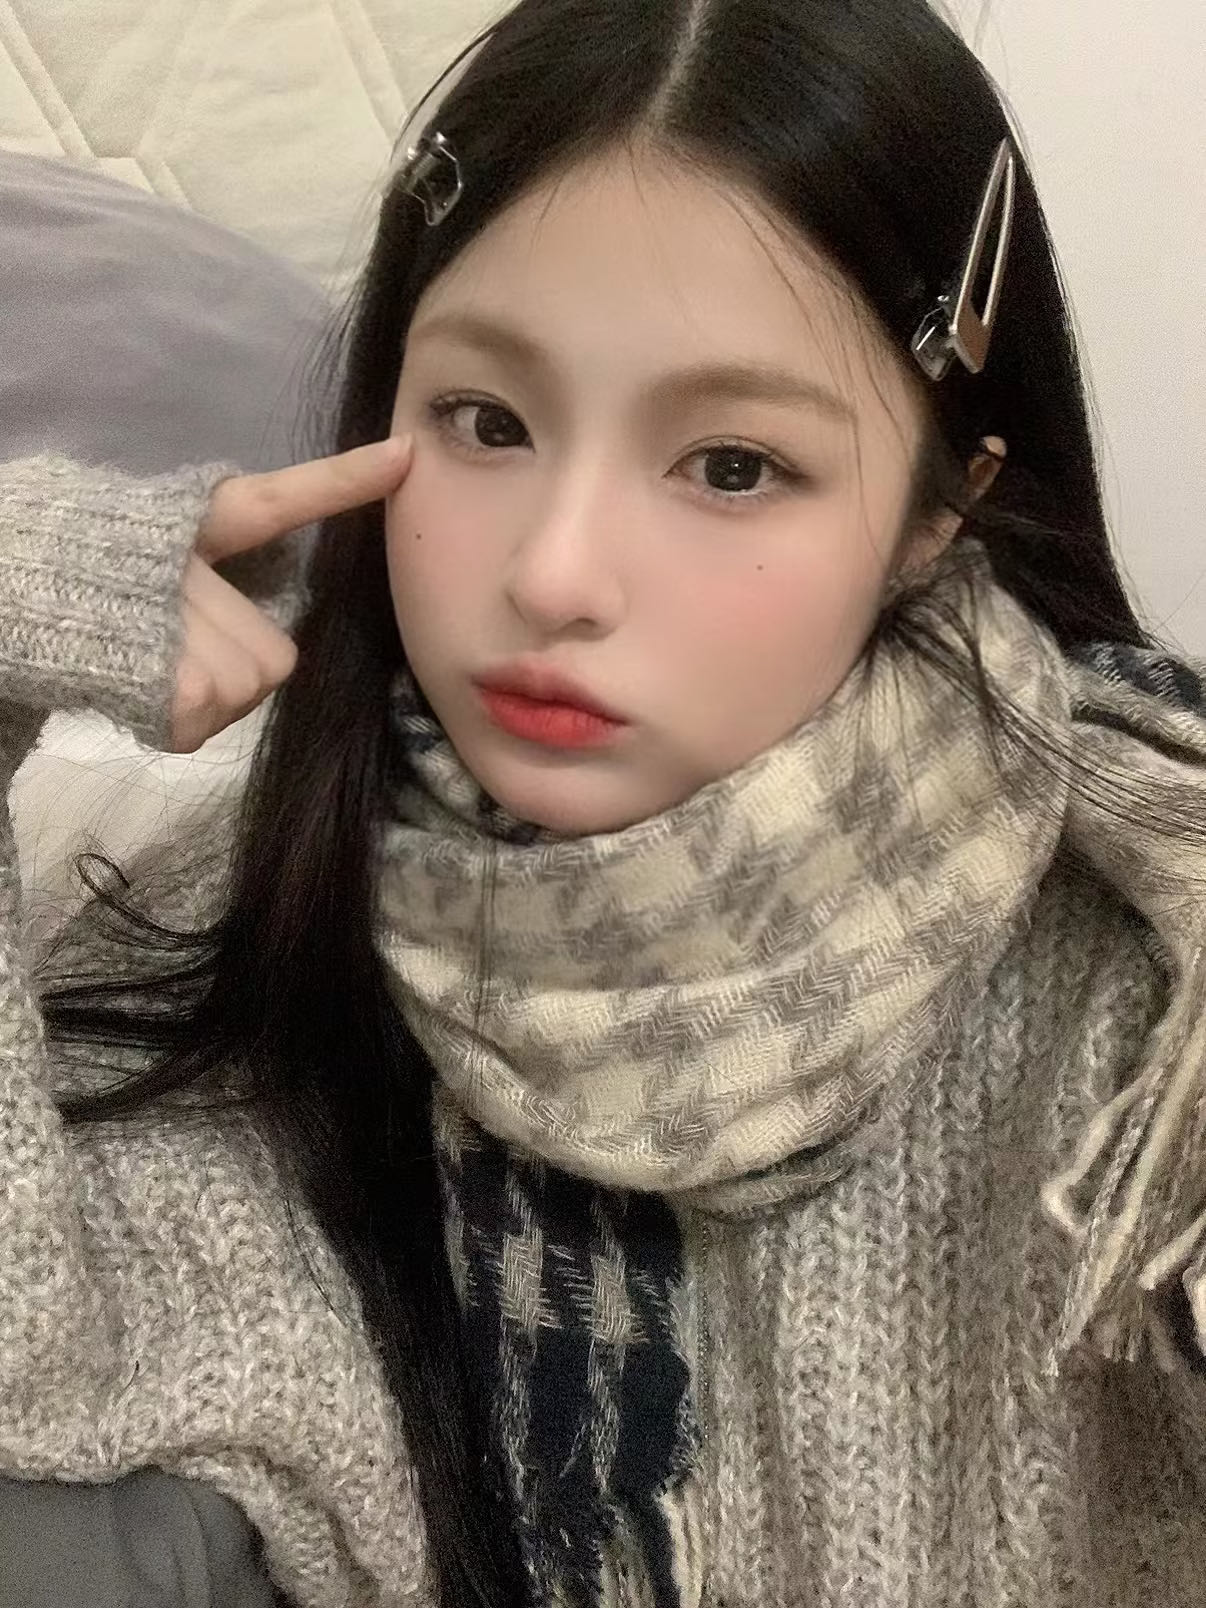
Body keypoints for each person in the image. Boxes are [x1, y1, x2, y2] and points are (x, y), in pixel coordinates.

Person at [1, 0, 1205, 1604]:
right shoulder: (274, 924)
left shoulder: (1145, 998)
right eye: (485, 424)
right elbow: (43, 1378)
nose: (554, 574)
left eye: (731, 466)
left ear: (939, 511)